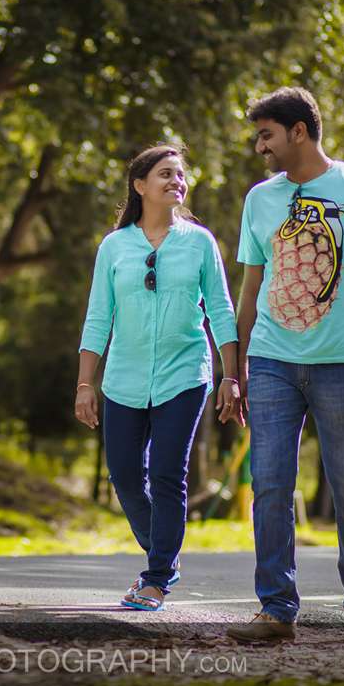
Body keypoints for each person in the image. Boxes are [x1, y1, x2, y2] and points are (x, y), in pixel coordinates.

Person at [225, 87, 344, 646]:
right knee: (269, 485)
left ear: (298, 131)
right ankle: (276, 608)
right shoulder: (259, 200)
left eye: (266, 134)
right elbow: (250, 289)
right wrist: (233, 371)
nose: (260, 146)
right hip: (269, 363)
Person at [76, 144, 245, 612]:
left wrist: (232, 375)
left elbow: (221, 310)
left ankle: (157, 578)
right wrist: (85, 383)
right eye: (165, 174)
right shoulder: (114, 246)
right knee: (126, 477)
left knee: (169, 476)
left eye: (181, 175)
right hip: (124, 380)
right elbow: (97, 318)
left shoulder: (200, 242)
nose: (177, 181)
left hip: (184, 375)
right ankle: (162, 555)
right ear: (140, 185)